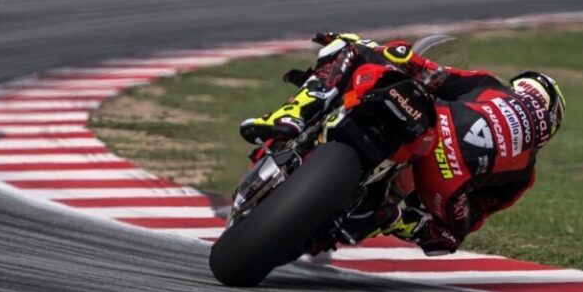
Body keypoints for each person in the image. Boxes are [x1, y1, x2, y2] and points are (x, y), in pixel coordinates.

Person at [239, 32, 565, 255]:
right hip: (444, 187)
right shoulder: (525, 172)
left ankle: (288, 117)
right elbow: (467, 223)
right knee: (443, 232)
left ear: (522, 87)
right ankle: (382, 215)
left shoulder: (493, 87)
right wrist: (413, 221)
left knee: (351, 49)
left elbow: (428, 72)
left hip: (435, 127)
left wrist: (393, 54)